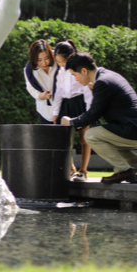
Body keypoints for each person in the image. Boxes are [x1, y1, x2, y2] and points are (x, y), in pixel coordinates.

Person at [61, 51, 137, 184]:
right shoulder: (109, 75)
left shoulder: (102, 82)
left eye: (74, 75)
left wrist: (71, 122)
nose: (76, 79)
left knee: (91, 135)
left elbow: (93, 114)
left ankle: (124, 171)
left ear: (84, 71)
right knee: (107, 140)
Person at [52, 40, 93, 182]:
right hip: (66, 105)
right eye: (58, 62)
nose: (61, 64)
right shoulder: (60, 72)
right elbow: (58, 92)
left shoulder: (80, 69)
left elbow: (87, 90)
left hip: (80, 103)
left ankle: (83, 170)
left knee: (84, 139)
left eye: (63, 61)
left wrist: (89, 111)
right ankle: (70, 169)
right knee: (64, 139)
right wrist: (55, 112)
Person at [24, 40, 58, 124]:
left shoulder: (58, 60)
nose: (43, 63)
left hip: (64, 107)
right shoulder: (29, 70)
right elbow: (30, 88)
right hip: (45, 110)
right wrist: (42, 95)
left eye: (46, 58)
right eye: (39, 60)